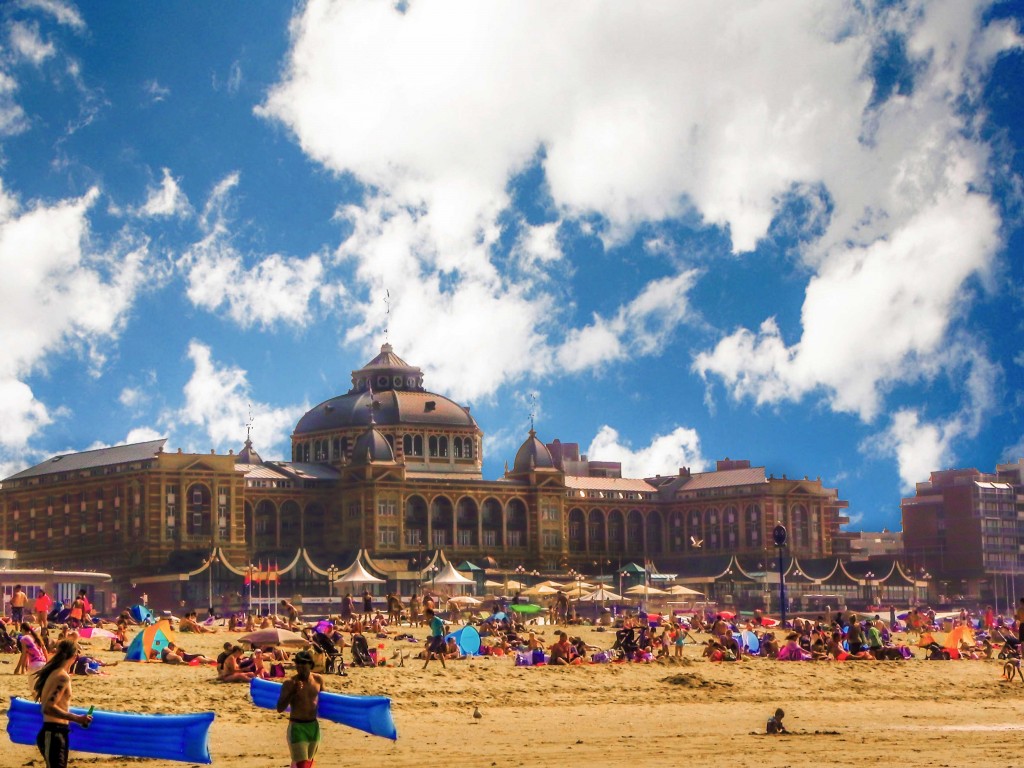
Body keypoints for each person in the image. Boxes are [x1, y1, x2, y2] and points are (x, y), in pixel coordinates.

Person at [33, 639, 93, 768]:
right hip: (53, 733)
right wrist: (77, 718)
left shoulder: (54, 672)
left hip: (56, 733)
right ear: (75, 656)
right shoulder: (61, 677)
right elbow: (48, 708)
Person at [276, 649, 323, 768]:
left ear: (310, 665)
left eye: (303, 663)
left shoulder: (318, 680)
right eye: (298, 663)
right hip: (297, 727)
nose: (300, 666)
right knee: (302, 765)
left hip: (313, 727)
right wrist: (292, 692)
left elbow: (325, 701)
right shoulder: (289, 683)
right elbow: (280, 708)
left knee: (309, 764)